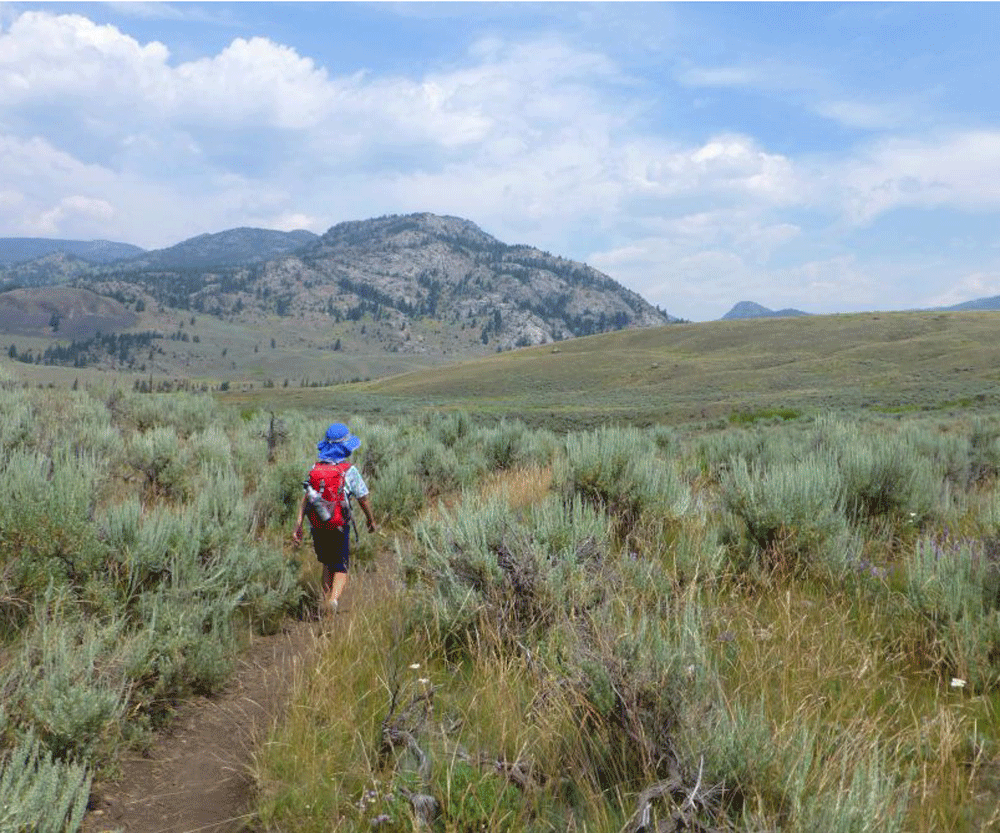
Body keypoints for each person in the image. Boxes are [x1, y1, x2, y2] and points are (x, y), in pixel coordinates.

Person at [292, 422, 376, 615]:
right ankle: (333, 601)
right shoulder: (348, 471)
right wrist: (371, 520)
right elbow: (363, 498)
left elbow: (306, 499)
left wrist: (298, 525)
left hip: (318, 525)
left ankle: (325, 601)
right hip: (339, 526)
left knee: (328, 563)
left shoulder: (315, 469)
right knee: (342, 567)